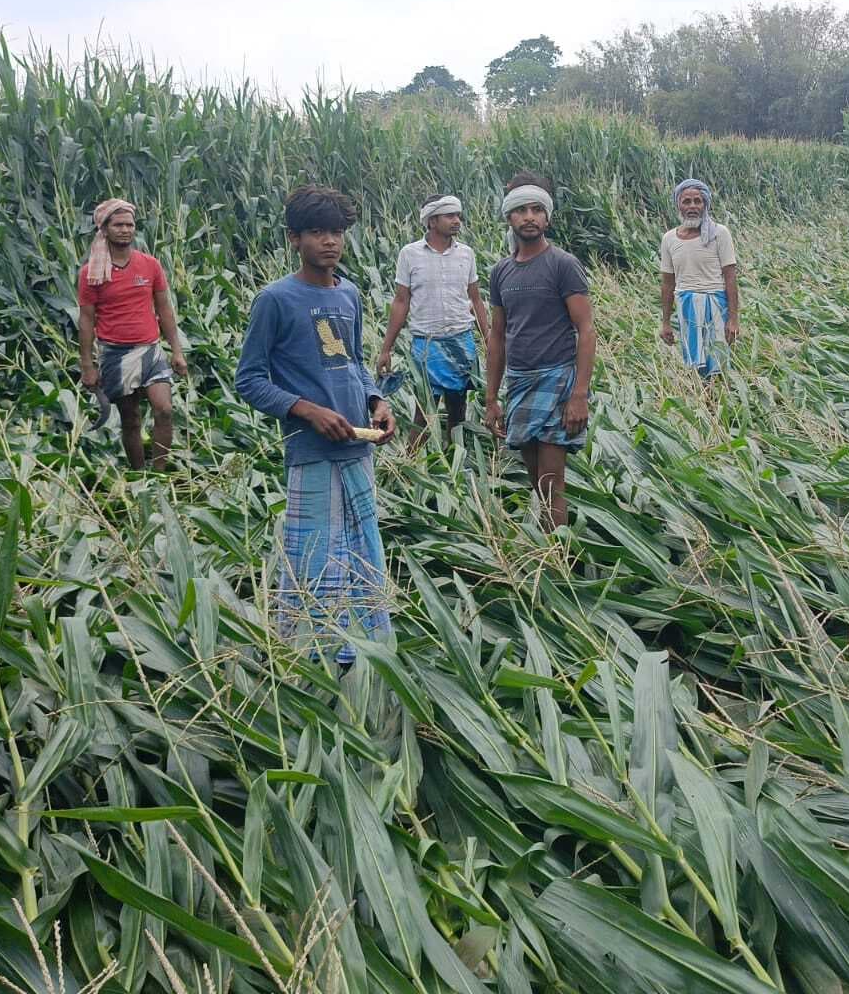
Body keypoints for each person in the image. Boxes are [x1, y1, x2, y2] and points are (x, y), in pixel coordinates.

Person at [234, 185, 397, 664]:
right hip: (311, 451)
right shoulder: (276, 300)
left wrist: (375, 399)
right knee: (316, 553)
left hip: (357, 449)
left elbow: (355, 361)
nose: (329, 241)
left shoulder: (349, 293)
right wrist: (307, 410)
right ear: (294, 239)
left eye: (337, 232)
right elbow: (249, 379)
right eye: (317, 232)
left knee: (362, 545)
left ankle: (365, 648)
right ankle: (312, 648)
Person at [484, 172, 596, 532]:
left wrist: (579, 394)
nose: (529, 217)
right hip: (519, 382)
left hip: (558, 380)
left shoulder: (563, 264)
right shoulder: (500, 272)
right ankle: (552, 544)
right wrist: (491, 399)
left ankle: (558, 562)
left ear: (547, 218)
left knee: (551, 483)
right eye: (521, 210)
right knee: (536, 481)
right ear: (509, 218)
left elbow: (587, 330)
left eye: (536, 210)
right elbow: (498, 336)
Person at [77, 198, 188, 470]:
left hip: (150, 349)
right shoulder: (92, 273)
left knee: (164, 410)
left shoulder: (150, 265)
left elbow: (165, 309)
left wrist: (176, 350)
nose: (125, 230)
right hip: (115, 353)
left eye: (129, 225)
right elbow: (87, 320)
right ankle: (140, 476)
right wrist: (88, 365)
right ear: (104, 229)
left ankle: (159, 475)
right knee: (131, 418)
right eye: (118, 225)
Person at [377, 194, 490, 440]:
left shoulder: (466, 254)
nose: (456, 220)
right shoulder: (409, 254)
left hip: (461, 339)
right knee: (425, 408)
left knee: (458, 406)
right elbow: (401, 301)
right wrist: (386, 349)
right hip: (427, 343)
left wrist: (488, 338)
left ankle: (453, 457)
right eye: (450, 216)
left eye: (458, 215)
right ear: (431, 221)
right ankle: (412, 461)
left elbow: (475, 298)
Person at [658, 178, 739, 376]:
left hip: (716, 306)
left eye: (698, 201)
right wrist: (666, 322)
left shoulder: (720, 234)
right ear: (678, 204)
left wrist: (734, 319)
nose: (692, 206)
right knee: (694, 365)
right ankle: (701, 401)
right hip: (686, 307)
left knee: (717, 363)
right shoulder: (669, 238)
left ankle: (718, 402)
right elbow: (668, 283)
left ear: (705, 204)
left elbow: (730, 278)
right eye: (687, 201)